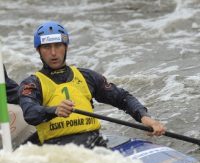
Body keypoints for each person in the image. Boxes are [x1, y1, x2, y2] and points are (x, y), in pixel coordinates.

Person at [19, 21, 166, 148]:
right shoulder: (32, 83)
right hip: (56, 149)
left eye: (58, 46)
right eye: (46, 47)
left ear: (66, 47)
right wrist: (54, 110)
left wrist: (145, 117)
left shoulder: (86, 76)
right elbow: (30, 113)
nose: (53, 53)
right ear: (38, 50)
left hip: (94, 144)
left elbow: (122, 98)